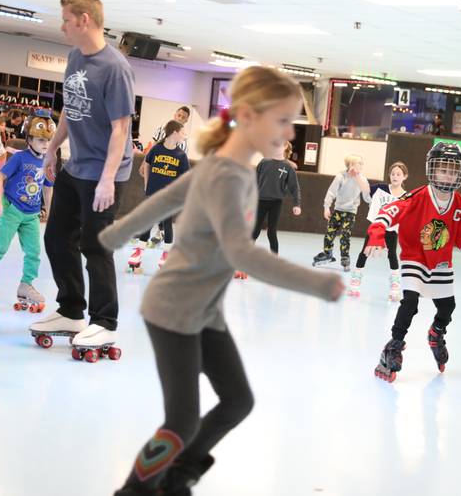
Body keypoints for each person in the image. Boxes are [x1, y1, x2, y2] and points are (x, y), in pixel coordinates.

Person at [97, 65, 343, 496]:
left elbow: (168, 199)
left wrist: (116, 234)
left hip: (204, 311)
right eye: (283, 121)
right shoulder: (226, 174)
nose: (289, 134)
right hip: (173, 309)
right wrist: (317, 284)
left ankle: (175, 478)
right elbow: (241, 252)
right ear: (247, 116)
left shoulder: (230, 168)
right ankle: (135, 490)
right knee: (181, 421)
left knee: (237, 400)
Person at [29, 0, 135, 353]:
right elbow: (69, 109)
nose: (61, 26)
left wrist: (107, 179)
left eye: (65, 20)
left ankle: (105, 322)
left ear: (84, 20)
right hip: (76, 167)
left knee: (95, 246)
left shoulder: (115, 68)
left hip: (104, 173)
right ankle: (71, 310)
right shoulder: (75, 57)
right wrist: (54, 148)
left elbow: (121, 128)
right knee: (57, 238)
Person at [365, 142, 461, 382]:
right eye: (443, 169)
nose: (448, 174)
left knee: (447, 307)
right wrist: (378, 232)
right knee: (410, 302)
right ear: (432, 169)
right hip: (415, 257)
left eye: (453, 170)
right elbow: (391, 211)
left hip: (441, 261)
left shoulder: (460, 203)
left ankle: (436, 334)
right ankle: (393, 345)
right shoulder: (418, 196)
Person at [0, 112, 56, 312]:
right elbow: (0, 177)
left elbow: (48, 186)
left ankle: (26, 285)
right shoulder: (19, 158)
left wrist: (50, 212)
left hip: (32, 214)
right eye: (41, 140)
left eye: (48, 141)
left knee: (34, 252)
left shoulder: (48, 162)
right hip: (11, 209)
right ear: (29, 139)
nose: (45, 144)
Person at [127, 120, 189, 274]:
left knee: (167, 223)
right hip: (153, 193)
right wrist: (147, 184)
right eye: (183, 133)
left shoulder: (181, 156)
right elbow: (147, 164)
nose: (184, 136)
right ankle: (138, 252)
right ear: (174, 133)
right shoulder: (156, 149)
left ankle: (166, 255)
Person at [349, 161, 408, 299]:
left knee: (392, 255)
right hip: (376, 228)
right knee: (364, 252)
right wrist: (357, 175)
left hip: (391, 230)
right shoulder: (382, 188)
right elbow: (366, 189)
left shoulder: (406, 197)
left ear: (404, 177)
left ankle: (395, 287)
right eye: (393, 174)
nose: (395, 176)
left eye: (398, 174)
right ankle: (355, 283)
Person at [312, 154, 371, 272]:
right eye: (357, 163)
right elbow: (331, 192)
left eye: (361, 164)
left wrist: (358, 179)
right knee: (330, 232)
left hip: (350, 212)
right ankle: (327, 253)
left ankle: (345, 257)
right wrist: (326, 207)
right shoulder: (341, 176)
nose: (360, 166)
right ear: (350, 165)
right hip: (338, 210)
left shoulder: (362, 179)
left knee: (345, 235)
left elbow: (367, 196)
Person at [250, 141, 302, 255]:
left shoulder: (288, 167)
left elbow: (295, 187)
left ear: (285, 148)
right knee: (254, 231)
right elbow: (254, 181)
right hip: (260, 201)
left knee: (271, 233)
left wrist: (297, 204)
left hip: (276, 203)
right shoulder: (264, 162)